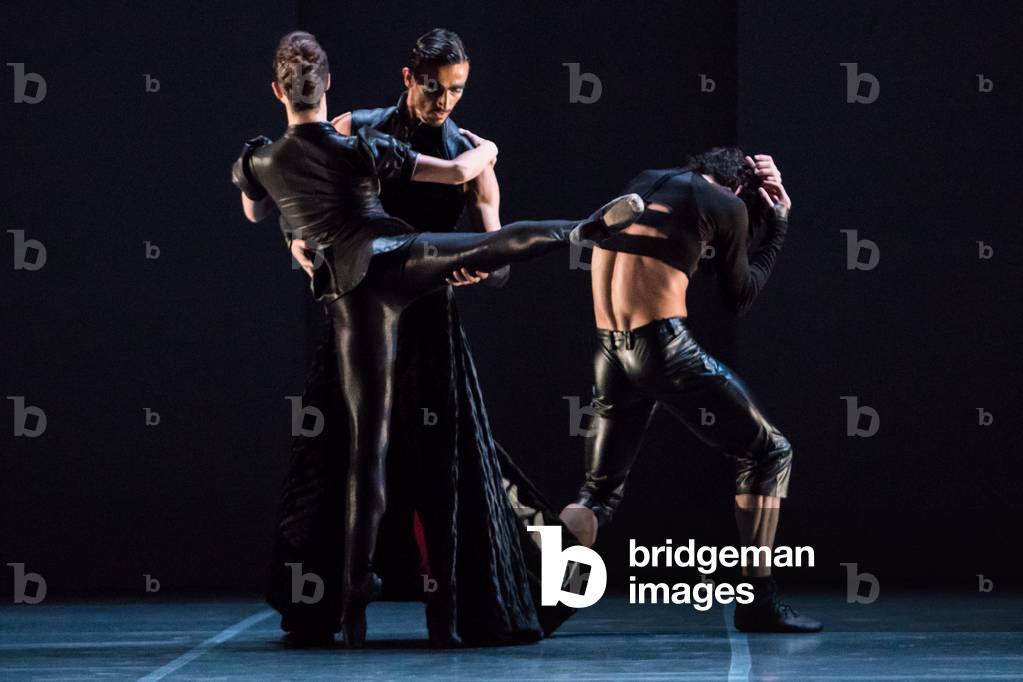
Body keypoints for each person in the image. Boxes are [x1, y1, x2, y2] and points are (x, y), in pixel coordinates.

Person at [232, 31, 643, 647]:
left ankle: (463, 605)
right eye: (433, 87)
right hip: (360, 306)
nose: (444, 101)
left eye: (456, 90)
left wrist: (480, 262)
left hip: (428, 319)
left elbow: (495, 257)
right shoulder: (359, 129)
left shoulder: (466, 154)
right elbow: (304, 188)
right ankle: (332, 603)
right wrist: (298, 242)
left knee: (450, 461)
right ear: (408, 78)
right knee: (342, 452)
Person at [558, 147, 822, 633]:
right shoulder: (728, 204)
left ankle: (543, 597)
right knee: (770, 451)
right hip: (662, 348)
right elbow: (740, 296)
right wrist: (778, 225)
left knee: (597, 494)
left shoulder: (646, 178)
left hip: (608, 352)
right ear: (740, 188)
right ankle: (758, 601)